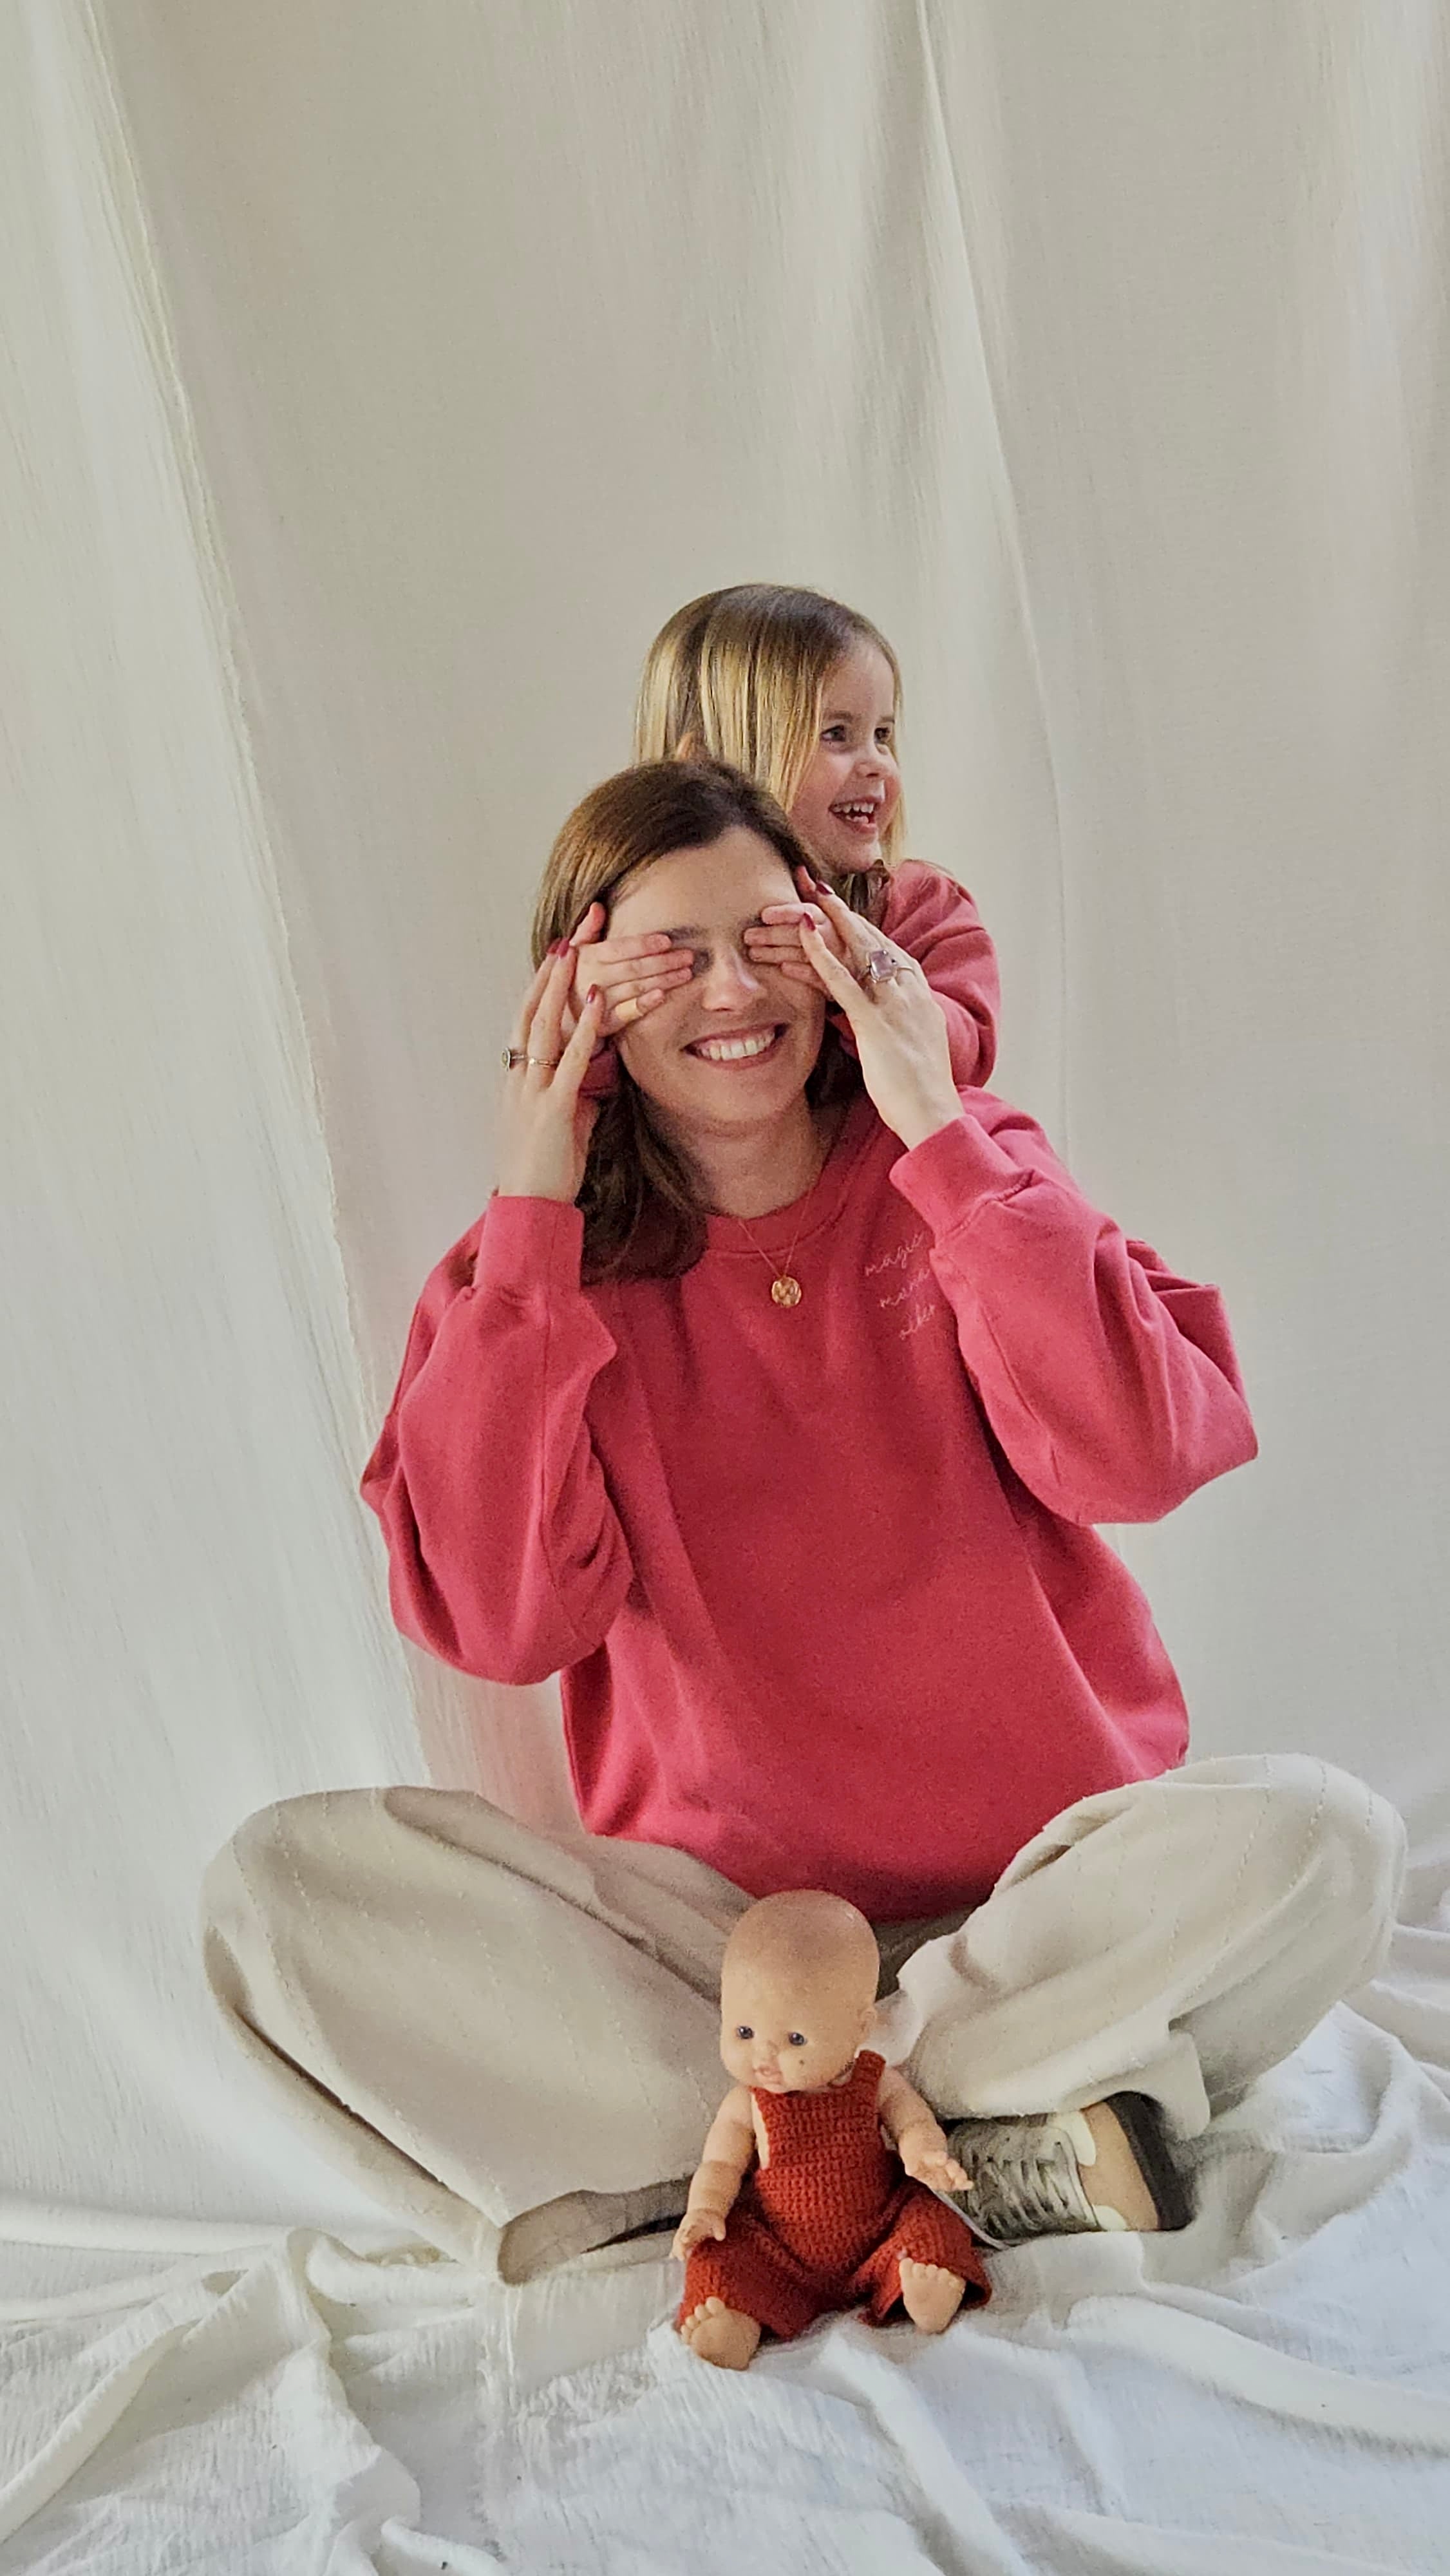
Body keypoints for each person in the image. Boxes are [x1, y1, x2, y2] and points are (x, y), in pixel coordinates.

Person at [203, 759, 1404, 2286]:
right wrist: (530, 1208)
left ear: (836, 943)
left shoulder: (957, 1162)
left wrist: (937, 1125)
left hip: (1042, 1898)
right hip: (735, 1956)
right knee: (274, 1899)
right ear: (578, 996)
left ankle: (785, 2156)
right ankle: (976, 2142)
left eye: (767, 937)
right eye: (669, 954)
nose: (730, 991)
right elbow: (503, 1624)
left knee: (1324, 1840)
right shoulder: (527, 1272)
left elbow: (1140, 1450)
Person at [568, 583, 999, 1087]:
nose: (878, 765)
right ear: (705, 768)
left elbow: (965, 1059)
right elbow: (603, 1103)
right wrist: (582, 1018)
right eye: (836, 734)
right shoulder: (632, 917)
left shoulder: (918, 906)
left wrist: (860, 973)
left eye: (882, 735)